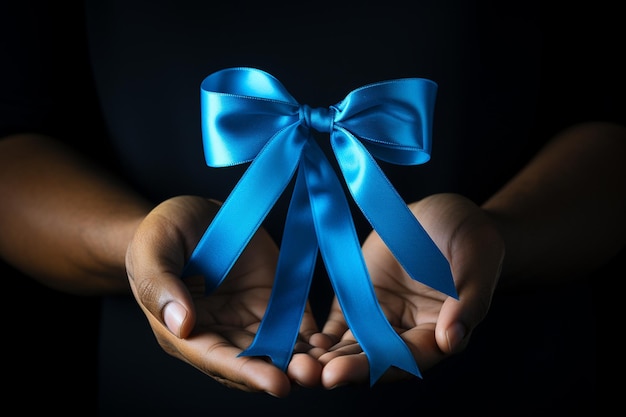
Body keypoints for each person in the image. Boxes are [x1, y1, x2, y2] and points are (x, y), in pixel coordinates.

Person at [1, 0, 621, 415]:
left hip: (508, 379)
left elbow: (607, 131)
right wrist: (140, 246)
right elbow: (13, 155)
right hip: (157, 387)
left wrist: (498, 235)